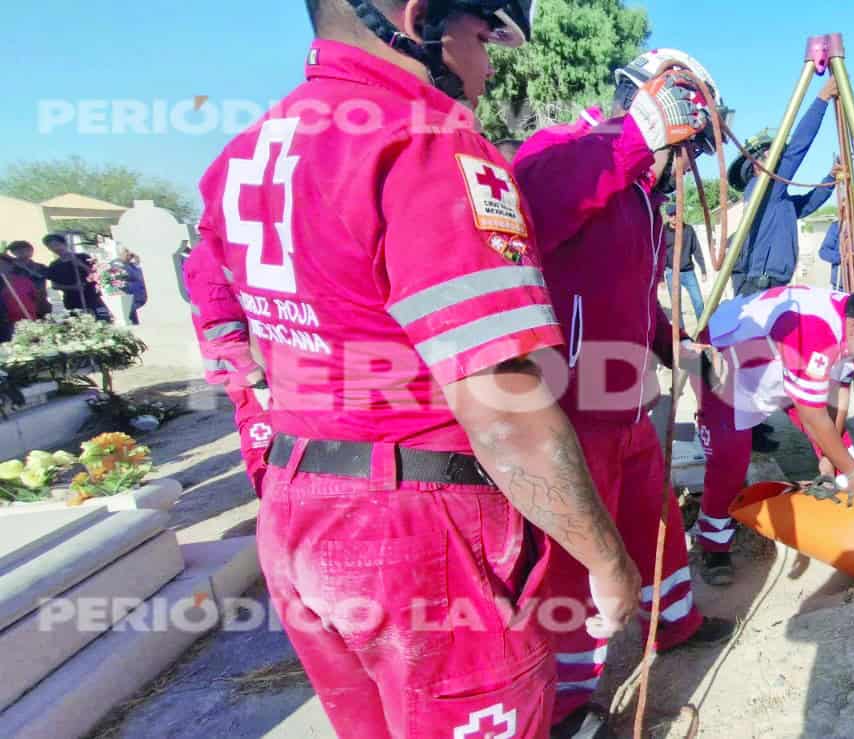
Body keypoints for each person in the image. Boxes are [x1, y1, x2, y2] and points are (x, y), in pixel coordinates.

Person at [189, 3, 639, 737]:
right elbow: (504, 406)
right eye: (483, 35)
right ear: (415, 15)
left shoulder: (246, 150)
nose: (489, 65)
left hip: (297, 504)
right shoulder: (424, 140)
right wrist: (607, 559)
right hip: (420, 535)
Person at [514, 47, 737, 738]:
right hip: (573, 412)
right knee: (580, 557)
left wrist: (674, 344)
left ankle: (674, 621)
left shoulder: (639, 196)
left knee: (654, 520)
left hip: (627, 404)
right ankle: (568, 700)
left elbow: (632, 296)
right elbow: (533, 201)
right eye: (691, 143)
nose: (691, 160)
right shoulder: (565, 151)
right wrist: (634, 139)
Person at [695, 284, 854, 583]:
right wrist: (853, 471)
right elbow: (811, 413)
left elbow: (838, 396)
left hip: (780, 365)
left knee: (842, 450)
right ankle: (713, 545)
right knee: (729, 462)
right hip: (727, 364)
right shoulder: (817, 329)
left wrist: (831, 459)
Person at [728, 77, 841, 296]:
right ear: (756, 164)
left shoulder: (777, 198)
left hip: (771, 281)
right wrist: (822, 99)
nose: (777, 158)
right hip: (763, 282)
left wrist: (831, 178)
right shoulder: (763, 187)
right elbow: (798, 148)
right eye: (770, 154)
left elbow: (807, 205)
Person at [181, 240, 273, 494]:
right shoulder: (210, 255)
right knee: (264, 441)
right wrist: (256, 379)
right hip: (248, 374)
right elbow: (221, 327)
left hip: (270, 368)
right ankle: (272, 505)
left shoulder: (238, 244)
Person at [41, 234, 109, 320]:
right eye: (51, 247)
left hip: (93, 297)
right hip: (72, 301)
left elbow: (96, 274)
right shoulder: (54, 265)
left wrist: (80, 264)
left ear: (65, 244)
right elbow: (55, 285)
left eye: (57, 245)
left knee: (104, 320)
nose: (56, 249)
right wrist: (73, 287)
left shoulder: (83, 257)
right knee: (80, 325)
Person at [665, 202, 707, 324]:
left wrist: (703, 269)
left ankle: (703, 329)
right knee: (676, 306)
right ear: (668, 216)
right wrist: (661, 278)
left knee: (699, 302)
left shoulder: (688, 230)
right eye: (671, 215)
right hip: (671, 272)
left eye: (676, 214)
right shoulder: (663, 231)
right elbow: (661, 253)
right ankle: (682, 334)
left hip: (688, 272)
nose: (674, 217)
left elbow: (696, 249)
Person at [2, 241, 51, 342]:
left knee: (43, 336)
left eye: (22, 249)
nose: (19, 252)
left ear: (30, 250)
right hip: (16, 310)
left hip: (39, 303)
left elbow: (40, 276)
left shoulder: (39, 267)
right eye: (15, 251)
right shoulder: (11, 267)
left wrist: (23, 267)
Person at [112, 248, 148, 325]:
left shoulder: (131, 265)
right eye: (129, 254)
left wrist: (138, 262)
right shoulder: (117, 264)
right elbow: (119, 283)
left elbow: (142, 277)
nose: (131, 256)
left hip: (141, 299)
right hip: (131, 300)